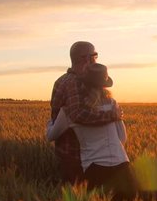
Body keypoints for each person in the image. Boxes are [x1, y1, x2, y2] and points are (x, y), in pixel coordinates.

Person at [47, 63, 139, 201]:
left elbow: (50, 136)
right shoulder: (113, 105)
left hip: (95, 169)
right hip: (123, 168)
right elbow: (122, 138)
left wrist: (51, 121)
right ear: (104, 85)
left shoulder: (70, 111)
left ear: (82, 84)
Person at [50, 41, 122, 183]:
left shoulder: (61, 80)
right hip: (78, 155)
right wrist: (112, 116)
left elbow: (56, 118)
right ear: (86, 59)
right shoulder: (75, 82)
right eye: (94, 57)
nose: (95, 61)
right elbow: (78, 114)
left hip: (68, 152)